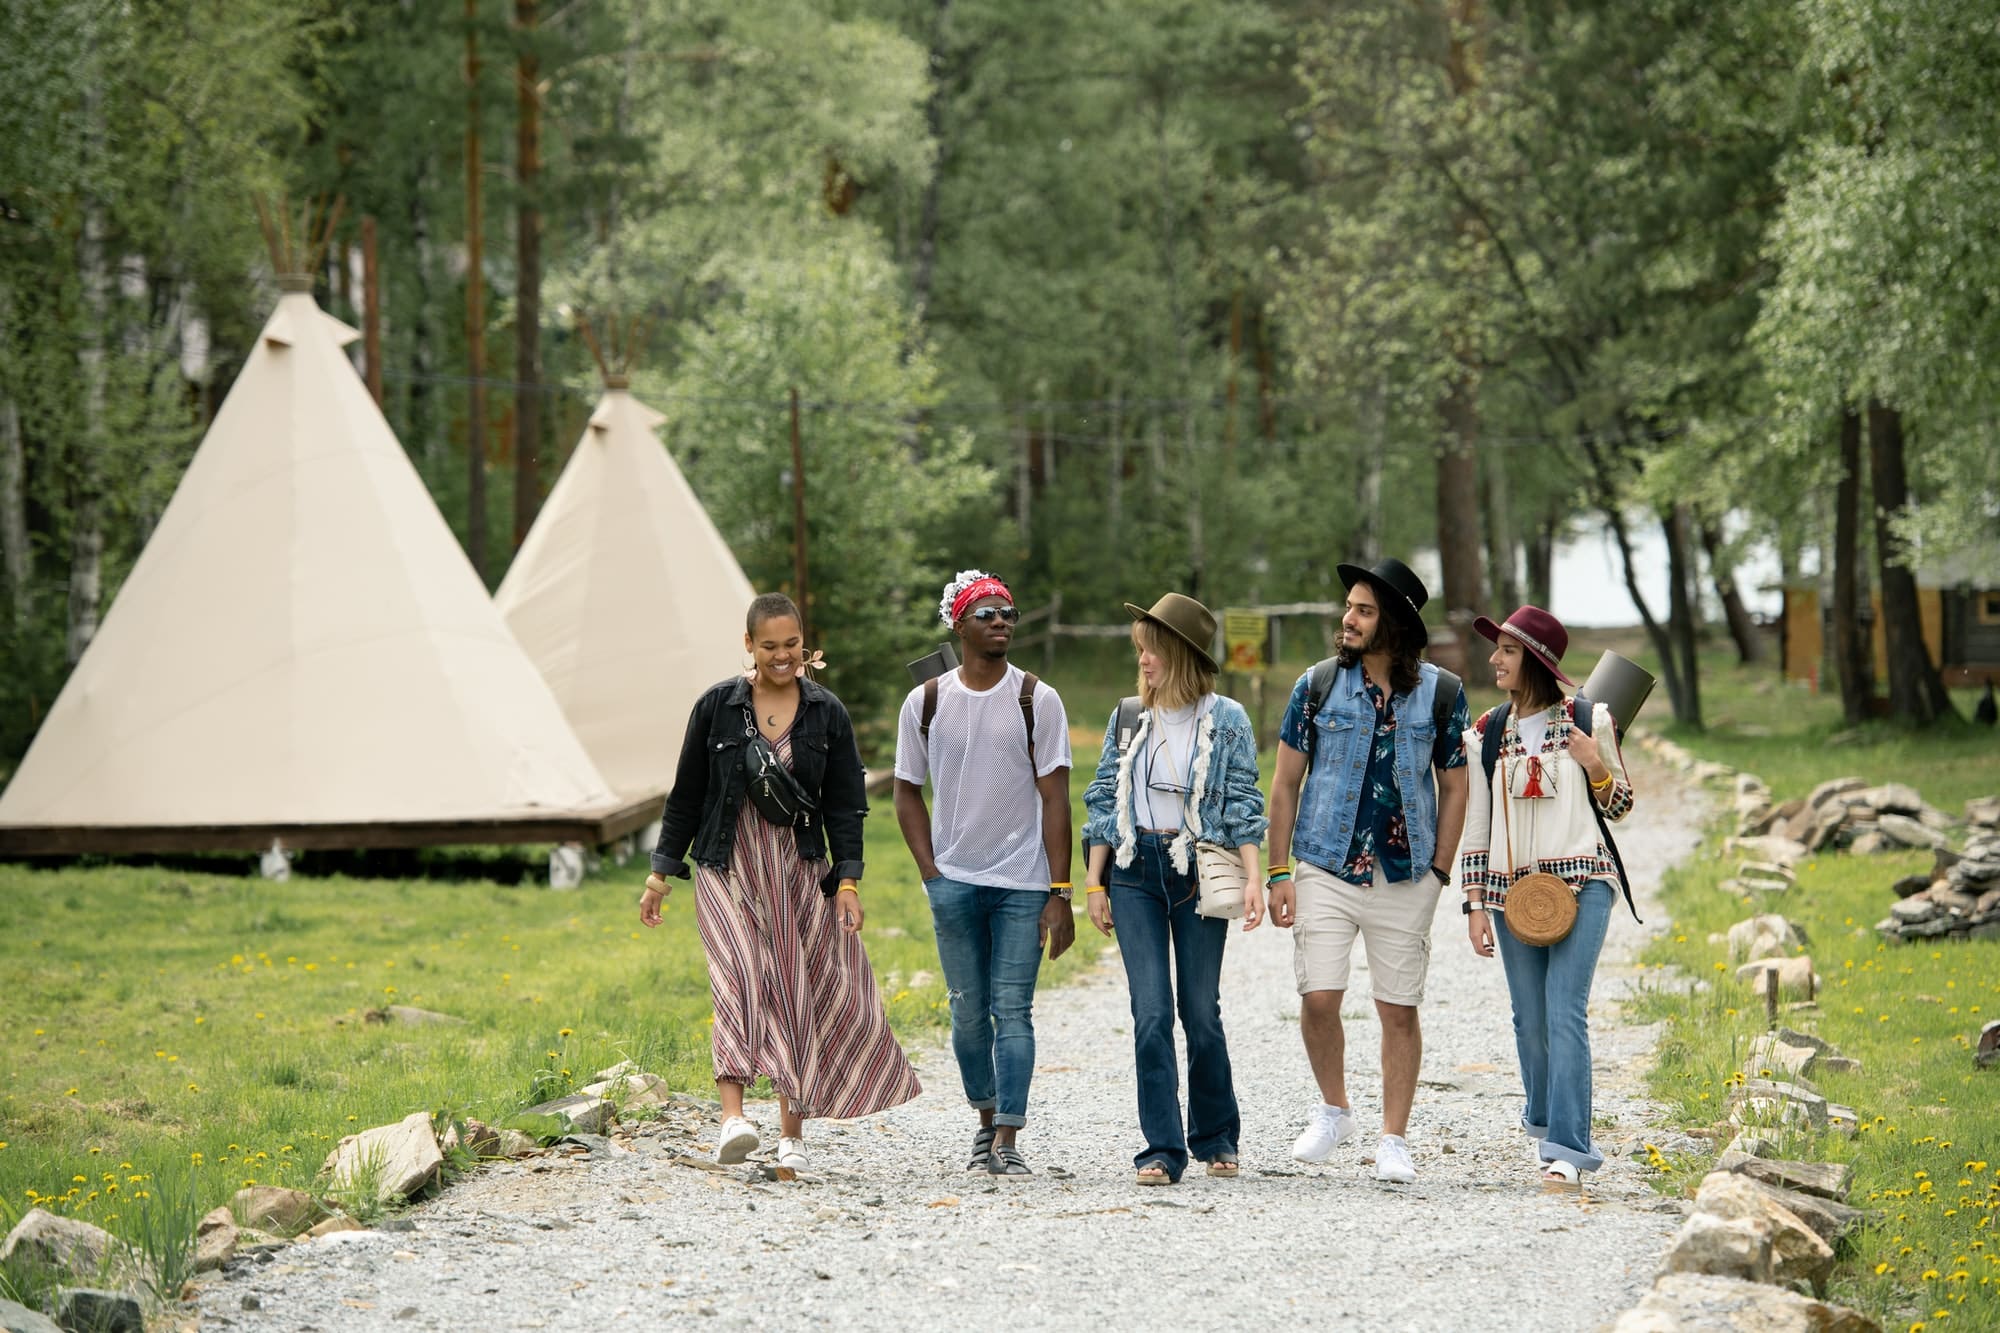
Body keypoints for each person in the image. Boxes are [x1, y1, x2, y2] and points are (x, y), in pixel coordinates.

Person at [640, 592, 919, 1169]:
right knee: (738, 975)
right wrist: (661, 873)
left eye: (791, 644)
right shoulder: (716, 707)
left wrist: (847, 882)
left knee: (796, 989)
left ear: (803, 642)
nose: (782, 656)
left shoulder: (826, 712)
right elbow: (687, 794)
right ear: (749, 646)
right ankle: (733, 1120)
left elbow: (846, 805)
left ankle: (792, 1133)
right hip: (727, 865)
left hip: (797, 869)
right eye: (769, 646)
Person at [1264, 557, 1469, 1184]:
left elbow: (1456, 787)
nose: (1347, 619)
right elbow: (1284, 784)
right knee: (1319, 996)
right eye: (1348, 607)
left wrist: (1439, 870)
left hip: (1406, 873)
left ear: (1395, 624)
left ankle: (1393, 1140)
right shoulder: (1318, 684)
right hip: (1325, 861)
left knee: (1397, 1008)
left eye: (1363, 610)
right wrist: (1278, 872)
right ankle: (1334, 1110)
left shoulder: (1442, 693)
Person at [1081, 593, 1267, 1186]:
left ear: (1180, 654)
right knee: (1150, 1014)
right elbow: (1105, 795)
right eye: (1139, 650)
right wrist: (1094, 881)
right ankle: (1161, 1149)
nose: (1143, 661)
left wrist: (1255, 876)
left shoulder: (1227, 719)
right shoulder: (1129, 715)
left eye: (1151, 649)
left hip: (1197, 874)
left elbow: (1242, 801)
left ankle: (1216, 1136)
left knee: (1200, 1012)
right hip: (1134, 872)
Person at [894, 569, 1075, 1178]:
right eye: (987, 613)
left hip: (1023, 882)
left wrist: (1060, 890)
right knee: (968, 1012)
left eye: (1009, 613)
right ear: (958, 624)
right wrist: (931, 873)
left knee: (1013, 1009)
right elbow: (905, 792)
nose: (1001, 621)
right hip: (955, 881)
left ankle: (1007, 1138)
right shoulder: (926, 702)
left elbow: (1056, 798)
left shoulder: (1037, 699)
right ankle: (983, 1117)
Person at [1457, 605, 1634, 1185]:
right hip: (1512, 894)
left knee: (1564, 1012)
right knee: (1528, 1019)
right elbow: (1478, 825)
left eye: (1506, 650)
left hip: (1585, 883)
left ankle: (1568, 1149)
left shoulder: (1589, 719)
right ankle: (1544, 1117)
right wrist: (1476, 904)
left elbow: (1622, 805)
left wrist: (1595, 766)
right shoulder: (1485, 734)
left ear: (1532, 660)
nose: (1495, 659)